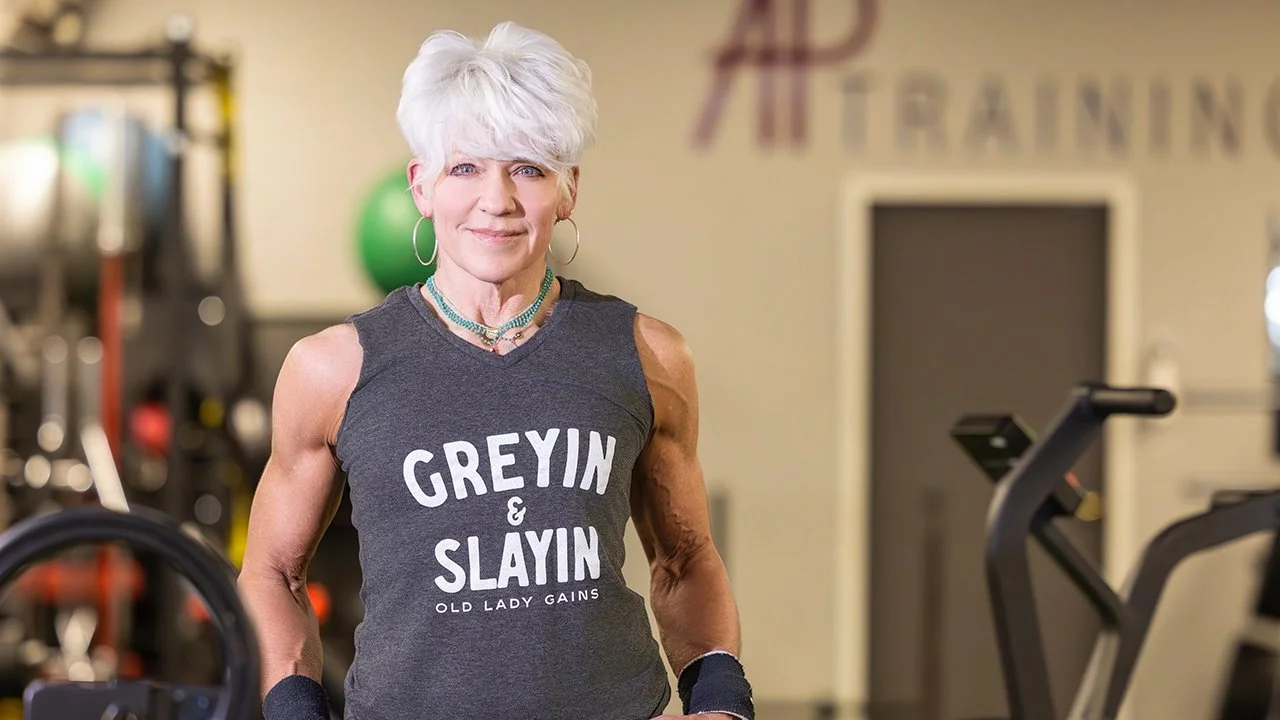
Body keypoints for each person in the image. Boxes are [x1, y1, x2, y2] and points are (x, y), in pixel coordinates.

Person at [236, 20, 754, 720]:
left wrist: (720, 700)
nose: (498, 199)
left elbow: (686, 559)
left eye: (529, 168)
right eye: (466, 167)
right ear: (422, 187)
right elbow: (271, 573)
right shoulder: (333, 370)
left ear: (568, 189)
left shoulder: (647, 354)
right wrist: (295, 710)